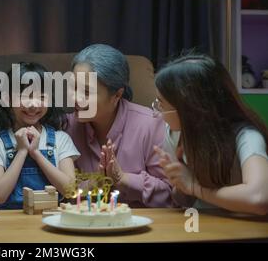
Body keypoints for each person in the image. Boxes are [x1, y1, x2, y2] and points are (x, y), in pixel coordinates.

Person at [153, 54, 268, 215]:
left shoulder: (247, 137)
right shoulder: (175, 134)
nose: (157, 112)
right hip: (200, 226)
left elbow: (259, 198)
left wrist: (194, 186)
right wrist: (181, 185)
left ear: (189, 107)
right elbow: (184, 201)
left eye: (161, 103)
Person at [66, 44, 172, 208]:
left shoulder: (151, 124)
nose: (75, 98)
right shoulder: (66, 127)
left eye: (86, 92)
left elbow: (171, 196)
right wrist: (95, 183)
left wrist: (123, 179)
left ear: (117, 95)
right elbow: (60, 193)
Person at [0, 62, 79, 209]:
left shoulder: (61, 139)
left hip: (51, 218)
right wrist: (22, 151)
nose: (33, 104)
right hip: (10, 222)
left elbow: (70, 191)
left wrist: (36, 153)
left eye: (41, 97)